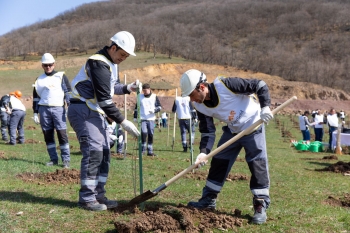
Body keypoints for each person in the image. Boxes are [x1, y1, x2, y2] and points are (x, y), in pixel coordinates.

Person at [180, 69, 274, 224]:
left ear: (202, 87)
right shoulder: (200, 106)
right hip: (233, 130)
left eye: (191, 94)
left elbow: (260, 85)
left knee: (257, 163)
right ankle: (208, 200)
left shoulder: (225, 85)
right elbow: (208, 132)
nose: (191, 99)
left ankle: (260, 204)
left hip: (253, 125)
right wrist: (203, 152)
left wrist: (265, 107)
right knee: (219, 160)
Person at [68, 31, 141, 211]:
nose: (124, 58)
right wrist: (124, 122)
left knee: (105, 153)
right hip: (83, 108)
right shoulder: (98, 62)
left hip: (95, 110)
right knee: (94, 151)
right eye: (122, 54)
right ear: (113, 48)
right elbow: (105, 100)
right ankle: (87, 198)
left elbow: (109, 87)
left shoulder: (111, 63)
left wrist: (127, 88)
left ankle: (99, 195)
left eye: (126, 56)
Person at [32, 53, 71, 168]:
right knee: (48, 135)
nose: (48, 67)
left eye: (50, 65)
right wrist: (35, 112)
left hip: (58, 108)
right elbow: (35, 97)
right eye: (45, 65)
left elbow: (68, 91)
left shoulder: (61, 76)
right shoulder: (39, 80)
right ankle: (53, 159)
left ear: (54, 64)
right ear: (42, 66)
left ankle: (66, 160)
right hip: (44, 109)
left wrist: (69, 105)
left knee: (62, 133)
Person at [133, 83, 162, 156]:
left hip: (151, 118)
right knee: (143, 133)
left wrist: (154, 110)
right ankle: (143, 149)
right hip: (142, 118)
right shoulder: (140, 96)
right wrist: (135, 117)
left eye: (146, 90)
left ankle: (150, 151)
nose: (145, 92)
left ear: (149, 89)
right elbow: (136, 108)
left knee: (150, 134)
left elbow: (159, 107)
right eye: (143, 90)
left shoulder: (154, 97)